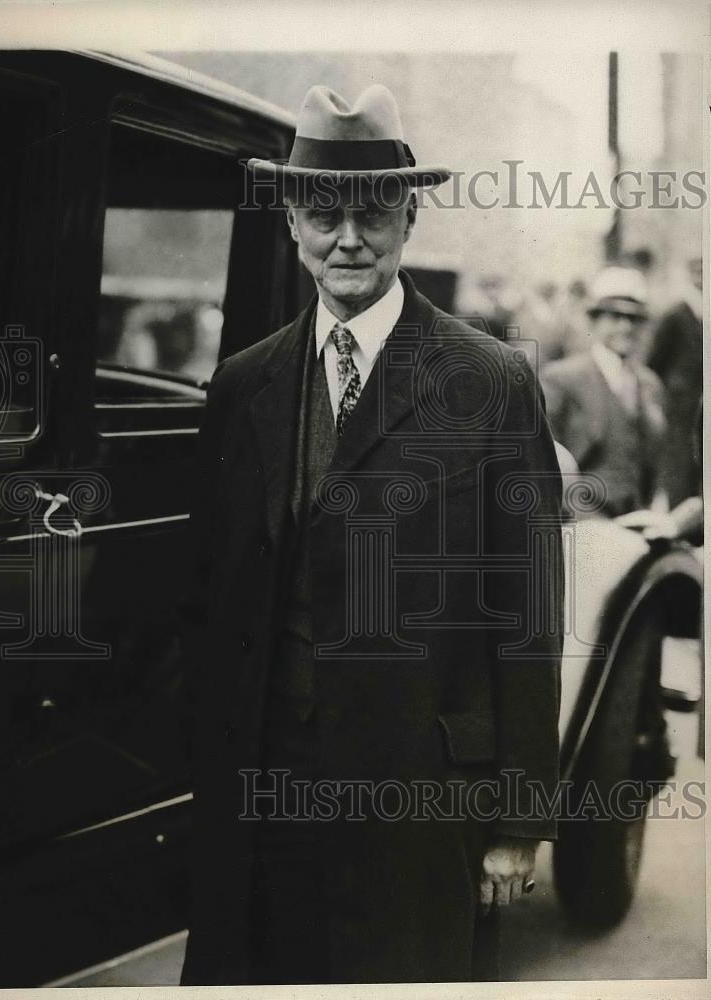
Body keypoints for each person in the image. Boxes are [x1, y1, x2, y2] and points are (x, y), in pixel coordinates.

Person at [180, 84, 563, 986]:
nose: (348, 238)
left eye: (373, 212)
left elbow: (529, 618)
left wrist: (517, 820)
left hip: (419, 802)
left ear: (410, 217)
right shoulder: (244, 385)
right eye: (323, 214)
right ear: (290, 223)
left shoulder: (492, 381)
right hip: (263, 792)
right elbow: (205, 597)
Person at [541, 267, 666, 519]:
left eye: (634, 319)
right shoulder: (562, 379)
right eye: (615, 317)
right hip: (580, 521)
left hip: (635, 518)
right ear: (594, 320)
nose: (625, 327)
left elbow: (653, 468)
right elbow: (545, 468)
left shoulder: (649, 384)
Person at [647, 255, 703, 507]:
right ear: (690, 275)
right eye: (698, 271)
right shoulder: (675, 314)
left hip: (702, 401)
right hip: (681, 404)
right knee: (680, 462)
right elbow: (656, 360)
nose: (703, 277)